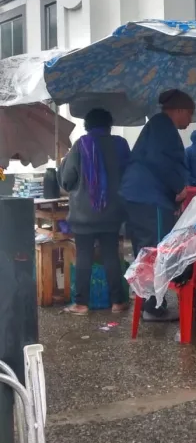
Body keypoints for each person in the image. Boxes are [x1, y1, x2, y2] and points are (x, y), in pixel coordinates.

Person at [120, 89, 195, 320]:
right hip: (149, 197)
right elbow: (160, 160)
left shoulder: (158, 125)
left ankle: (148, 302)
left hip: (139, 195)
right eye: (190, 115)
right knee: (154, 249)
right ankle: (153, 306)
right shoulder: (163, 127)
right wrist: (178, 186)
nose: (191, 120)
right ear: (180, 110)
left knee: (145, 249)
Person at [59, 108, 130, 315]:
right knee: (111, 255)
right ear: (109, 125)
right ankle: (118, 302)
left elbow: (67, 180)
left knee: (84, 257)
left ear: (87, 126)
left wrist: (64, 164)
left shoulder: (81, 145)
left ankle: (81, 304)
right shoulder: (121, 144)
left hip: (83, 214)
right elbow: (128, 173)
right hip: (112, 212)